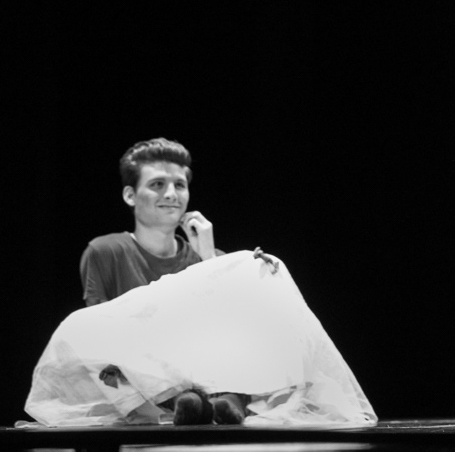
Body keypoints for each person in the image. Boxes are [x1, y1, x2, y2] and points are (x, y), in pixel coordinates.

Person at [25, 138, 375, 427]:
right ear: (131, 195)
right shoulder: (106, 250)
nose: (171, 194)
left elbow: (231, 329)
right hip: (133, 378)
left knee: (262, 278)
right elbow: (95, 330)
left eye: (179, 185)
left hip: (199, 369)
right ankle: (192, 401)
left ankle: (220, 399)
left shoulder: (206, 254)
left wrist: (213, 258)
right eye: (157, 185)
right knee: (81, 332)